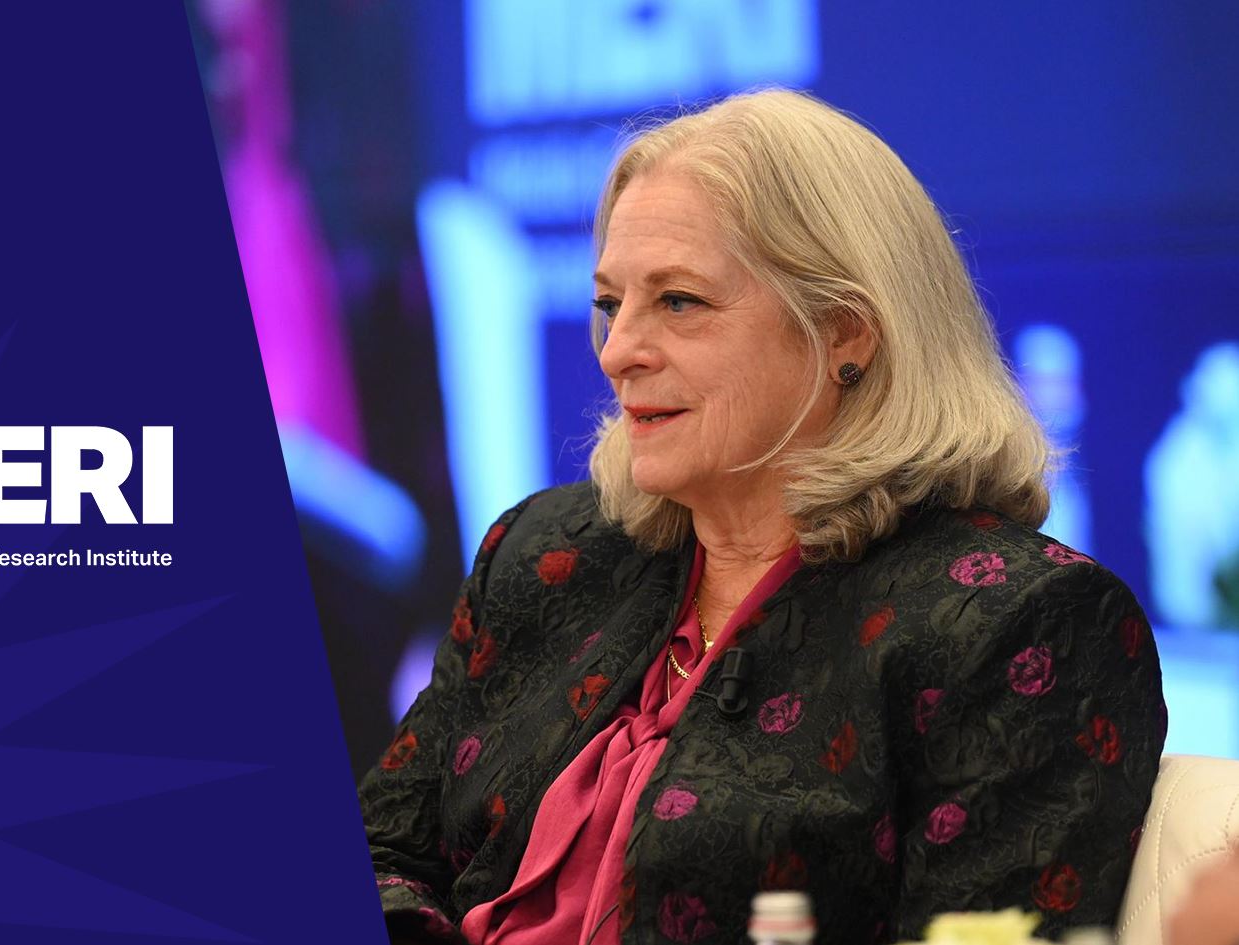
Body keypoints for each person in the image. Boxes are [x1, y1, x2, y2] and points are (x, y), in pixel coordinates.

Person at [357, 89, 1165, 945]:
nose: (618, 351)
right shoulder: (544, 556)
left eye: (678, 301)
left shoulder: (1017, 624)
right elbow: (379, 853)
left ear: (844, 333)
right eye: (610, 304)